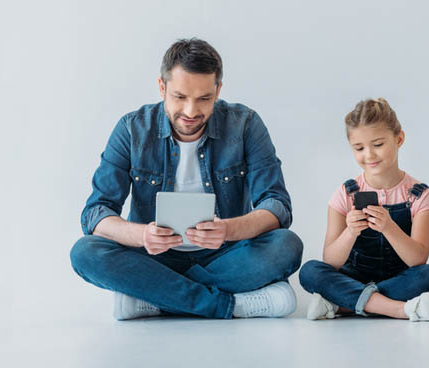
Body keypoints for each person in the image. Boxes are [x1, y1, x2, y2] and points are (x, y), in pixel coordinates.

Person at [69, 38, 303, 320]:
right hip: (153, 258)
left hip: (224, 255)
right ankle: (231, 305)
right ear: (161, 87)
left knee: (286, 246)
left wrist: (228, 230)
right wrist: (142, 235)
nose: (191, 111)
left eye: (204, 98)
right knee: (85, 253)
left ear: (218, 90)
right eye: (180, 97)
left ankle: (155, 297)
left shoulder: (245, 124)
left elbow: (276, 205)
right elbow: (96, 213)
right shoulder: (132, 129)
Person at [297, 98, 429, 322]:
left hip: (397, 276)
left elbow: (417, 260)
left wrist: (389, 227)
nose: (369, 155)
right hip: (353, 275)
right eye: (359, 148)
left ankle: (342, 304)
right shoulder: (344, 194)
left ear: (399, 139)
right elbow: (330, 261)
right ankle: (397, 309)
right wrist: (350, 232)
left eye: (378, 144)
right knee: (310, 271)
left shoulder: (420, 195)